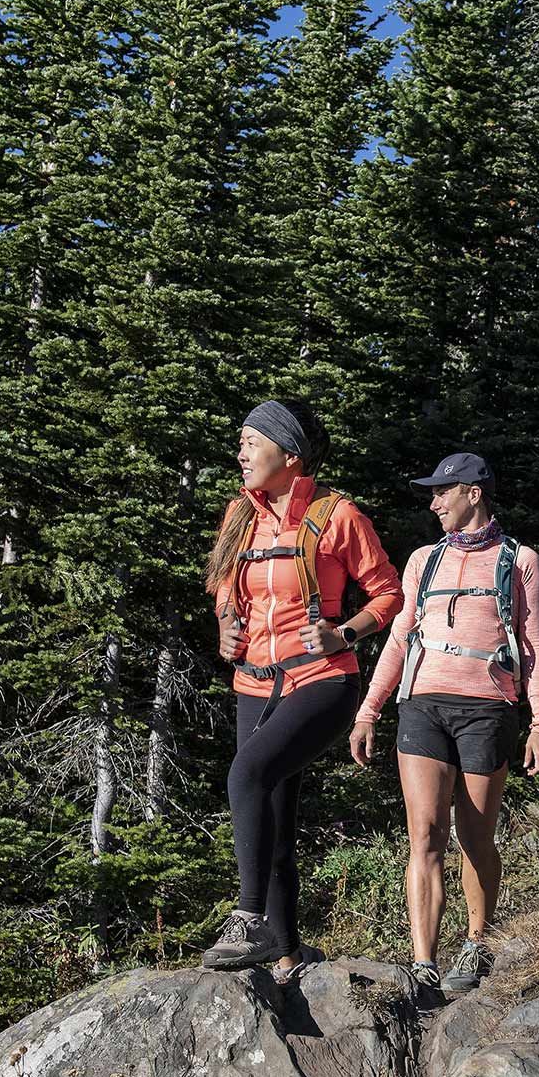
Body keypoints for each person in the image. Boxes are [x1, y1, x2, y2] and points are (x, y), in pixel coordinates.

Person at [202, 399, 403, 982]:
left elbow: (389, 593)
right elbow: (223, 582)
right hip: (254, 683)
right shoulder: (240, 514)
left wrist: (345, 632)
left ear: (289, 455)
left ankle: (250, 919)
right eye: (241, 442)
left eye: (251, 441)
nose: (240, 453)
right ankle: (287, 957)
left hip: (322, 680)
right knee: (272, 815)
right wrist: (225, 621)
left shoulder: (337, 516)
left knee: (247, 774)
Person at [349, 453, 539, 994]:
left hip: (488, 707)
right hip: (422, 704)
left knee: (475, 838)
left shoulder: (521, 561)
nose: (434, 503)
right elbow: (401, 636)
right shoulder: (424, 560)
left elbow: (531, 645)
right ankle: (423, 963)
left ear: (473, 493)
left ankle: (477, 943)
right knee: (425, 834)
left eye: (443, 492)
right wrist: (369, 710)